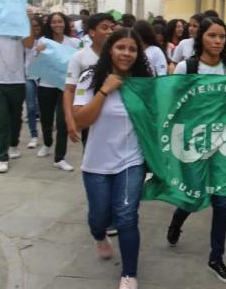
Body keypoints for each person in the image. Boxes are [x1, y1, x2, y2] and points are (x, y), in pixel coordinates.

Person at [73, 28, 152, 289]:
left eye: (132, 49)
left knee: (127, 217)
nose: (126, 53)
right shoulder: (89, 78)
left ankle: (129, 273)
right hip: (96, 163)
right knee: (99, 217)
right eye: (121, 47)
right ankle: (99, 236)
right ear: (110, 49)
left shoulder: (144, 83)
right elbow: (80, 120)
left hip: (131, 163)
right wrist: (105, 90)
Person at [167, 17, 226, 284]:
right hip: (192, 142)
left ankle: (216, 257)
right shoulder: (187, 66)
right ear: (201, 39)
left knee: (221, 201)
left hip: (222, 143)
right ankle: (177, 222)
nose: (218, 41)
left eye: (222, 37)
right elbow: (171, 100)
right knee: (193, 195)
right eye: (212, 36)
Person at [36, 12, 80, 171]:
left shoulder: (74, 42)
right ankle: (47, 143)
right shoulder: (43, 41)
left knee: (62, 122)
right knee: (46, 120)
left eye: (60, 22)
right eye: (54, 22)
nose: (57, 25)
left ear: (65, 23)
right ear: (50, 25)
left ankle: (59, 158)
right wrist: (38, 52)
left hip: (65, 88)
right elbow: (37, 62)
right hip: (46, 86)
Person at [64, 13, 115, 146]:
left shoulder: (117, 57)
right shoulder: (79, 57)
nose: (109, 31)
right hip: (89, 116)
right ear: (92, 32)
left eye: (112, 28)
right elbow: (69, 90)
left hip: (114, 116)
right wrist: (70, 121)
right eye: (104, 28)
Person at [0, 16, 35, 173]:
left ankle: (13, 144)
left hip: (17, 81)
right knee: (0, 120)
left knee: (15, 117)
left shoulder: (19, 29)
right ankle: (2, 157)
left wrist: (28, 21)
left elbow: (30, 44)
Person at [24, 16, 43, 149]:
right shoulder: (25, 40)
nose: (35, 28)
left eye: (37, 26)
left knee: (43, 108)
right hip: (29, 77)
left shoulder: (46, 40)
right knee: (30, 107)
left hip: (44, 78)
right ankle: (33, 135)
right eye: (32, 26)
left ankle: (46, 135)